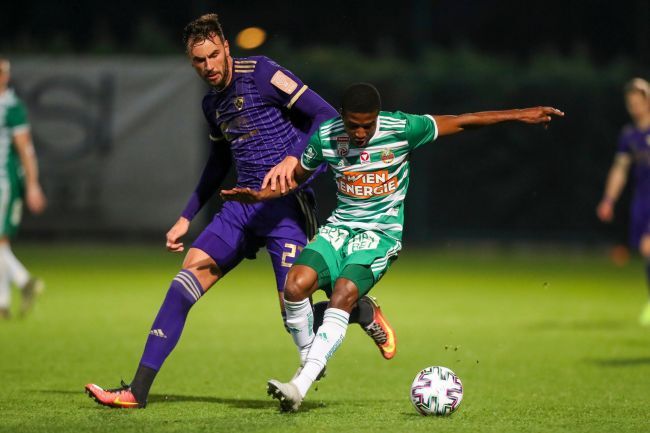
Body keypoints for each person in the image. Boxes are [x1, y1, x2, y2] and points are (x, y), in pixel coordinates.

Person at [85, 14, 395, 409]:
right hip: (241, 208)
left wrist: (293, 158)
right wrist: (186, 215)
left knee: (292, 311)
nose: (209, 66)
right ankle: (136, 391)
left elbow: (327, 116)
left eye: (214, 55)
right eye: (199, 61)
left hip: (286, 207)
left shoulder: (262, 73)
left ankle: (360, 310)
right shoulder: (212, 103)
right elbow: (218, 162)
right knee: (183, 284)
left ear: (226, 47)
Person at [221, 82, 564, 412]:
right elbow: (295, 176)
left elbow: (462, 121)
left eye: (367, 125)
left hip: (380, 234)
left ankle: (300, 385)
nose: (360, 133)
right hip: (339, 229)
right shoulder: (326, 136)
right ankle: (314, 358)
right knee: (294, 288)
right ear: (341, 116)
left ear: (378, 116)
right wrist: (260, 195)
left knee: (342, 293)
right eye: (353, 125)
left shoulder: (401, 128)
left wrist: (521, 114)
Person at [597, 77, 650, 325]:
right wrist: (608, 199)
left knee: (648, 247)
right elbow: (620, 170)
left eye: (638, 102)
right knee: (645, 250)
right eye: (630, 103)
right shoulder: (629, 135)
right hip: (642, 200)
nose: (634, 107)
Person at [0, 58, 47, 319]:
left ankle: (24, 280)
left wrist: (32, 185)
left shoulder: (11, 107)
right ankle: (3, 302)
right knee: (1, 243)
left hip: (3, 181)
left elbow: (25, 149)